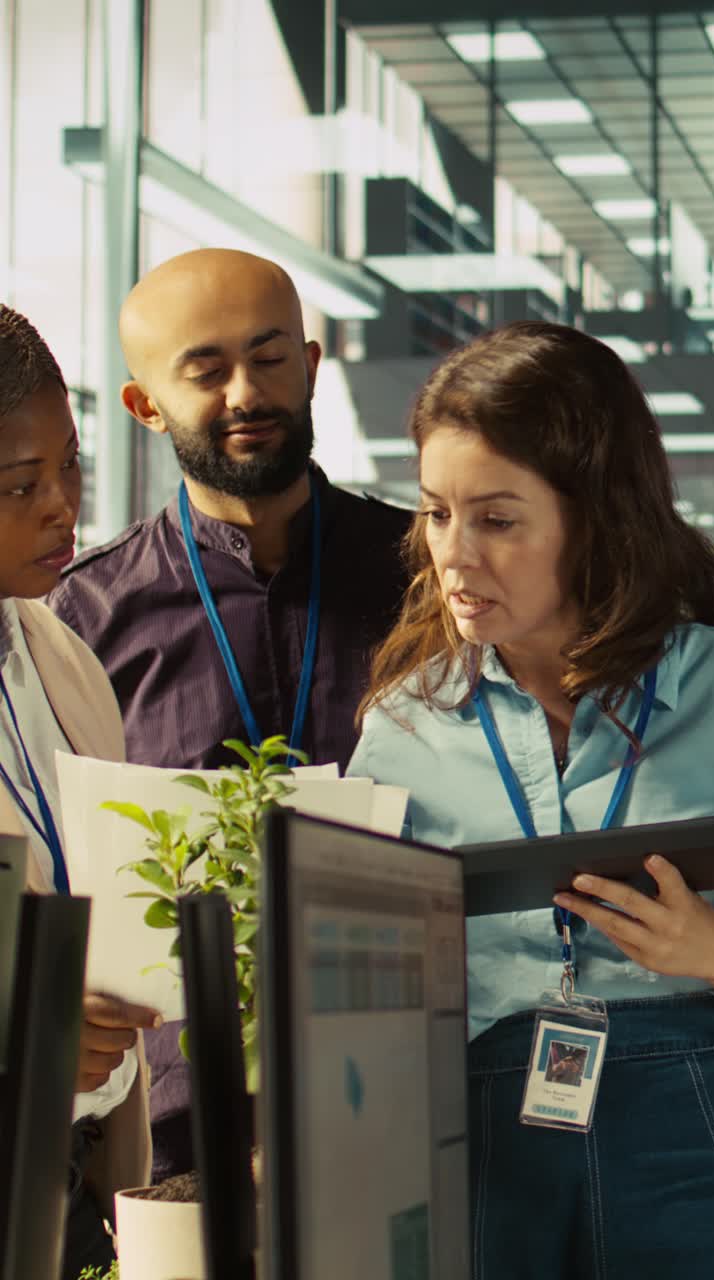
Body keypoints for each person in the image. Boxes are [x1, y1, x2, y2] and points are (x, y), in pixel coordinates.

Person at [348, 320, 714, 1279]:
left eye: (497, 520)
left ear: (595, 518)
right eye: (437, 513)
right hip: (483, 1154)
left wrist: (713, 952)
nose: (454, 556)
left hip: (696, 1143)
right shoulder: (403, 729)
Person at [48, 247, 411, 1181]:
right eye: (206, 370)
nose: (247, 392)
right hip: (174, 1111)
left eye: (270, 356)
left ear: (312, 365)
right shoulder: (82, 620)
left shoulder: (427, 578)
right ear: (146, 405)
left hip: (408, 1070)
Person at [0, 305, 159, 1279]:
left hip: (78, 1174)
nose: (63, 504)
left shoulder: (63, 652)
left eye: (71, 463)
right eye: (22, 484)